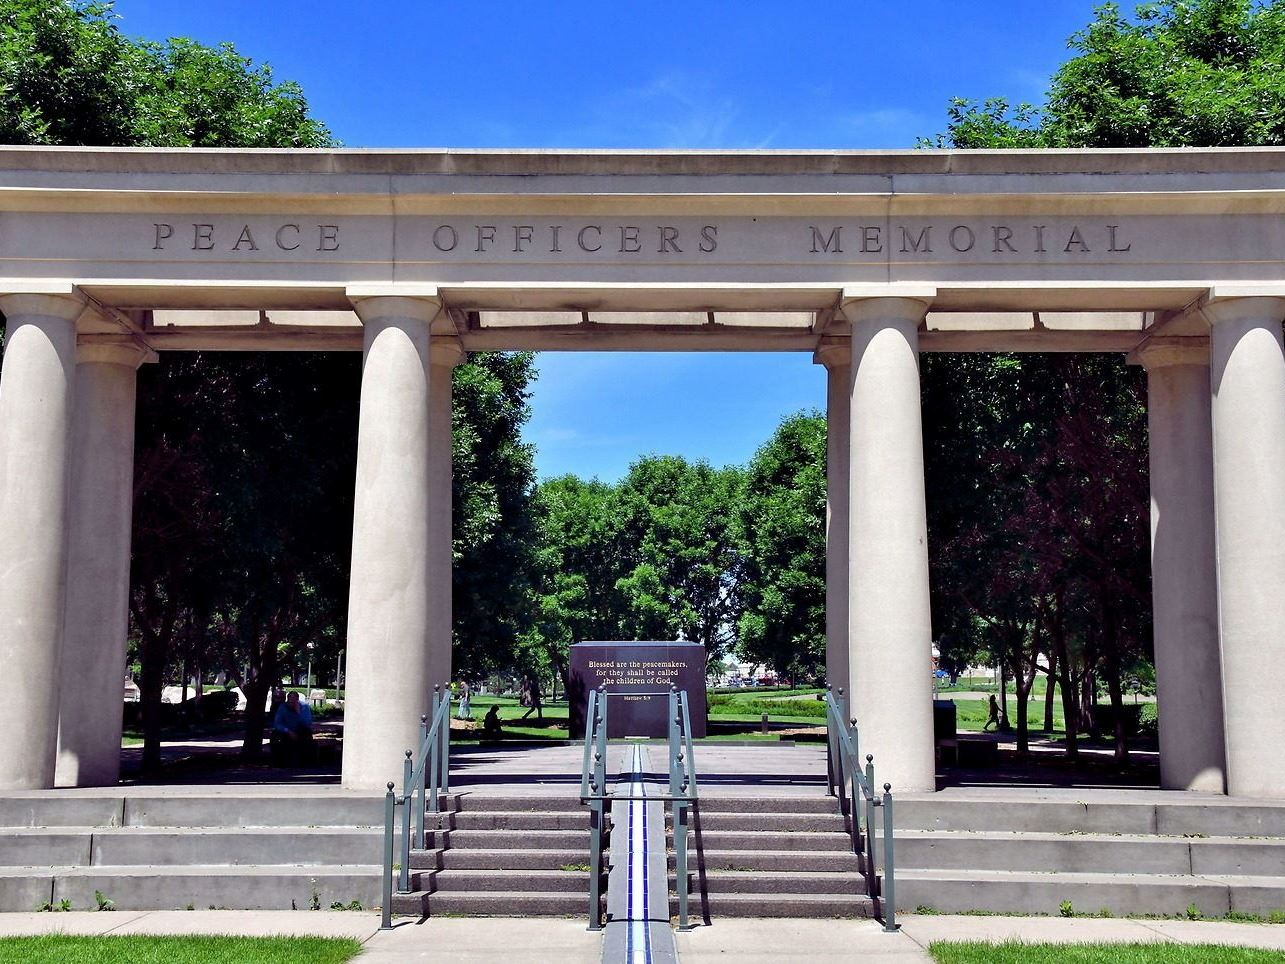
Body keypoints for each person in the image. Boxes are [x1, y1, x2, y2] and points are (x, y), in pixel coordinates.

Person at [271, 690, 315, 766]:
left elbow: (307, 723)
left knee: (306, 734)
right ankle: (278, 762)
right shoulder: (283, 707)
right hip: (287, 731)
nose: (291, 703)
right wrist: (288, 731)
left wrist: (298, 713)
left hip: (300, 731)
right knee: (276, 735)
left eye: (293, 701)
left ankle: (305, 762)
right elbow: (277, 723)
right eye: (289, 701)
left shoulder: (304, 707)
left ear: (297, 700)